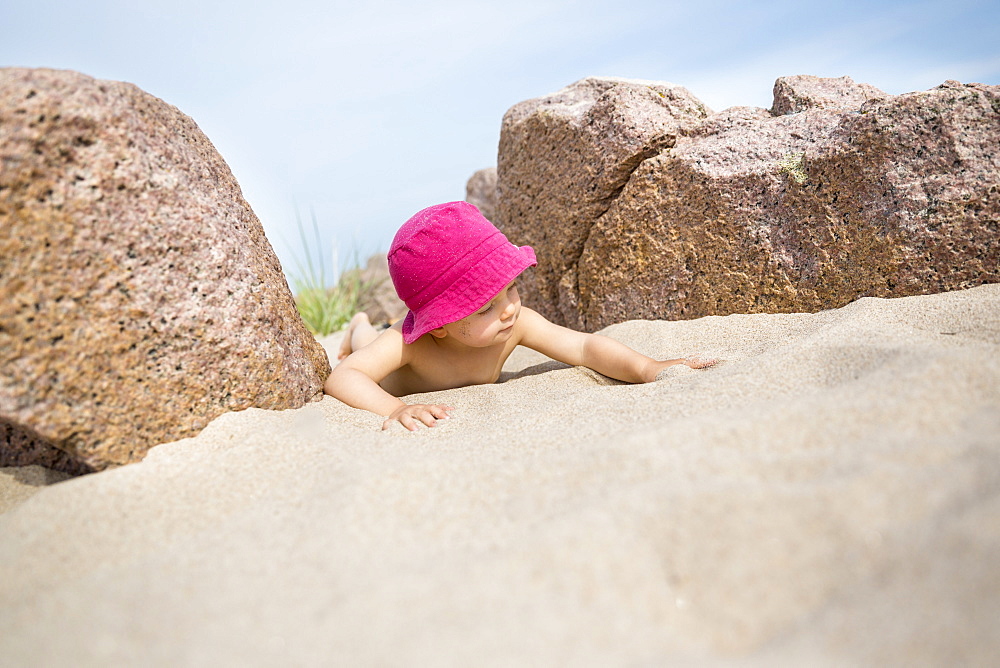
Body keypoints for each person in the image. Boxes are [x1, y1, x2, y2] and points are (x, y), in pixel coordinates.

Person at [324, 201, 717, 431]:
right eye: (485, 307)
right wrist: (395, 408)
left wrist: (647, 368)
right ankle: (358, 325)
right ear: (439, 327)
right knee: (368, 342)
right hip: (387, 357)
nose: (510, 307)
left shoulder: (517, 322)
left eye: (509, 288)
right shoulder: (409, 342)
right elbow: (344, 377)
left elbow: (583, 346)